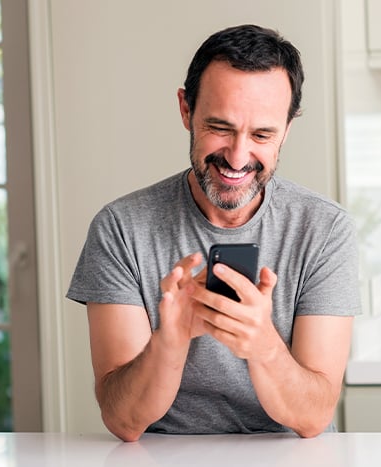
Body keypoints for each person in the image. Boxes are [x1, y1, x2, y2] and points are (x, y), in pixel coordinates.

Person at [66, 24, 360, 442]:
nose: (238, 157)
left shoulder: (325, 230)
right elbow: (122, 420)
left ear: (287, 129)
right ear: (186, 110)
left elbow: (312, 418)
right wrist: (172, 338)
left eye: (262, 134)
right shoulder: (121, 229)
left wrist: (262, 344)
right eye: (220, 127)